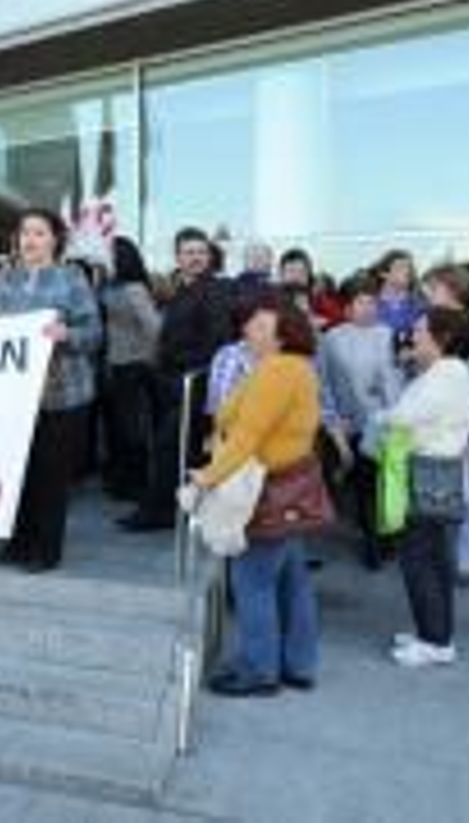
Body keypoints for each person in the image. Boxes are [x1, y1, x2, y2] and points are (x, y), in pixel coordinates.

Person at [194, 298, 323, 697]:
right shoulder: (294, 368)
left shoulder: (278, 371)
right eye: (251, 324)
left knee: (253, 580)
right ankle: (297, 665)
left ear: (283, 336)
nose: (249, 330)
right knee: (291, 580)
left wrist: (208, 476)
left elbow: (248, 435)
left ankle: (258, 669)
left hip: (265, 486)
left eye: (261, 327)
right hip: (290, 483)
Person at [0, 209, 102, 573]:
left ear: (55, 240)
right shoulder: (4, 281)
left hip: (63, 396)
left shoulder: (72, 278)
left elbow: (94, 334)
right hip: (15, 399)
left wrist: (68, 335)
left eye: (39, 233)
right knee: (18, 472)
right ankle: (19, 543)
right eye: (24, 233)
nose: (30, 240)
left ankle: (46, 550)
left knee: (50, 475)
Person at [121, 227, 235, 532]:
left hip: (196, 383)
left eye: (200, 252)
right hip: (172, 381)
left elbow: (217, 343)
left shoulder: (216, 290)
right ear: (178, 257)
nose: (195, 258)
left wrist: (182, 372)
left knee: (169, 446)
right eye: (188, 252)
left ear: (209, 256)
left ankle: (159, 511)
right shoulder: (181, 289)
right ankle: (172, 508)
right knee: (174, 449)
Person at [382, 308, 469, 668]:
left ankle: (436, 641)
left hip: (429, 473)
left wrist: (384, 418)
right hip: (431, 470)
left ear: (442, 337)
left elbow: (404, 417)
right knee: (429, 559)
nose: (412, 337)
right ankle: (432, 631)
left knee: (422, 561)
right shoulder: (441, 371)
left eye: (420, 331)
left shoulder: (447, 373)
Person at [419, 264, 469, 583]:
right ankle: (442, 556)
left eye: (433, 287)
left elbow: (446, 359)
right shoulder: (428, 319)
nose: (428, 294)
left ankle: (468, 559)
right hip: (434, 423)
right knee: (436, 492)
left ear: (451, 288)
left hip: (468, 421)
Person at [320, 273, 403, 568]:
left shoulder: (387, 334)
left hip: (382, 421)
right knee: (362, 486)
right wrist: (335, 420)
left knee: (385, 483)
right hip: (348, 423)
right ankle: (372, 543)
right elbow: (325, 383)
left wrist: (395, 417)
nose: (368, 308)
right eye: (361, 302)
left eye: (372, 302)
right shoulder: (332, 338)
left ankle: (385, 538)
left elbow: (393, 379)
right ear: (347, 307)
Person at [100, 237, 161, 502]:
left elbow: (154, 327)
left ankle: (135, 485)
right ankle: (123, 482)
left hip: (134, 366)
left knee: (132, 429)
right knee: (120, 429)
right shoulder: (110, 284)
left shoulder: (133, 288)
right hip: (117, 364)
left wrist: (151, 358)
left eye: (107, 253)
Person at [375, 249, 423, 347]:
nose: (407, 271)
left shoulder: (420, 305)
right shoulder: (369, 305)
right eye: (400, 267)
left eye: (409, 267)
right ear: (384, 274)